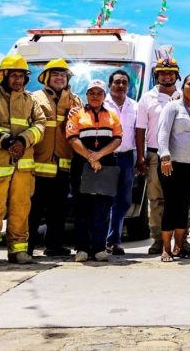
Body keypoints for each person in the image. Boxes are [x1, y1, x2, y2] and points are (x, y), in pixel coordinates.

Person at [0, 54, 47, 267]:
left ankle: (19, 250)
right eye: (14, 76)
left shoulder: (31, 101)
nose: (18, 81)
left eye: (21, 76)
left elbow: (40, 124)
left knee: (21, 208)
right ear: (4, 77)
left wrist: (23, 140)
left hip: (23, 166)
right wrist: (5, 141)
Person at [29, 58, 82, 258]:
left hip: (63, 164)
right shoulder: (34, 98)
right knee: (33, 209)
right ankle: (28, 245)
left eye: (63, 75)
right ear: (46, 78)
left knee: (58, 210)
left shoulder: (75, 100)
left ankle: (54, 245)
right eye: (55, 75)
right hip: (39, 163)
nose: (59, 78)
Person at [67, 79, 122, 263]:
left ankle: (99, 248)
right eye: (92, 93)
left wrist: (98, 156)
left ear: (105, 96)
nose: (95, 96)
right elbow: (73, 138)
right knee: (82, 209)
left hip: (105, 166)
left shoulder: (112, 115)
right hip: (82, 166)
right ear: (87, 95)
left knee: (102, 209)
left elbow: (117, 139)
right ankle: (82, 248)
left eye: (99, 93)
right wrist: (90, 157)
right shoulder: (77, 114)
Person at [156, 73, 190, 263]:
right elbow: (162, 133)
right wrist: (164, 157)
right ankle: (165, 248)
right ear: (183, 86)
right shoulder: (173, 107)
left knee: (184, 205)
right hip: (171, 164)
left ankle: (179, 245)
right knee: (171, 204)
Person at [137, 57, 182, 255]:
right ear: (156, 76)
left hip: (179, 156)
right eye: (163, 72)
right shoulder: (147, 98)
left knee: (180, 199)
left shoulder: (185, 95)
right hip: (155, 154)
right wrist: (141, 156)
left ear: (177, 75)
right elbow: (140, 129)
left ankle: (182, 239)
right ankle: (157, 239)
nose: (167, 75)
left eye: (171, 72)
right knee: (156, 199)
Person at [104, 69, 139, 255]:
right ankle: (101, 241)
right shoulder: (102, 104)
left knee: (123, 201)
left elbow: (138, 134)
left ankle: (114, 241)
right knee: (104, 200)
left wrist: (139, 158)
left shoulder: (134, 106)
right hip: (107, 158)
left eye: (124, 82)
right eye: (117, 82)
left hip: (126, 157)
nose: (120, 85)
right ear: (110, 84)